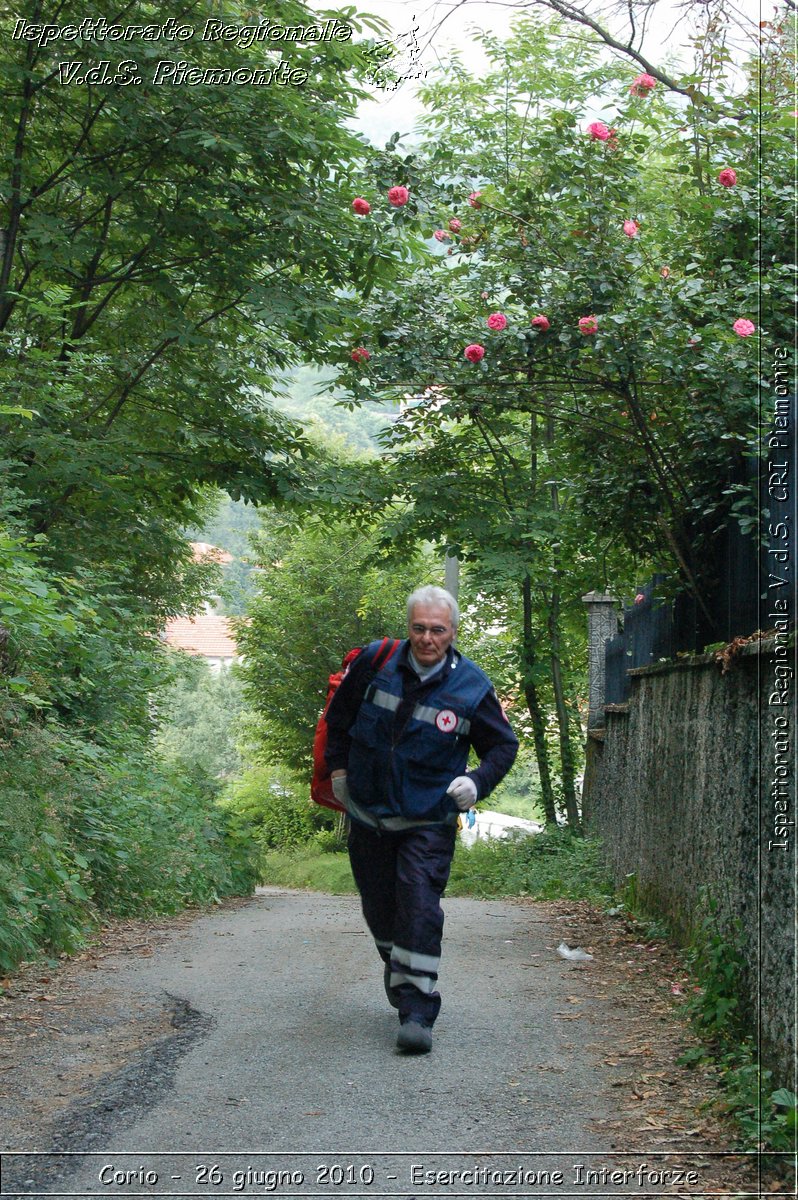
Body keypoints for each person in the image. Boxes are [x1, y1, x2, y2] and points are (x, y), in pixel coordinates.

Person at [325, 584, 518, 1054]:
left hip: (428, 819)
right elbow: (340, 718)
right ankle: (403, 977)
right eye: (419, 628)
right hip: (369, 813)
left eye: (437, 630)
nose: (427, 638)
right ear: (407, 627)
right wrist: (338, 770)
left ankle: (416, 1011)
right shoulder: (375, 663)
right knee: (380, 910)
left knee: (418, 906)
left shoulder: (472, 686)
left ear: (452, 632)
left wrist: (477, 782)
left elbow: (502, 747)